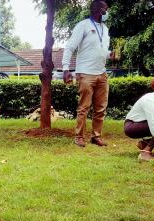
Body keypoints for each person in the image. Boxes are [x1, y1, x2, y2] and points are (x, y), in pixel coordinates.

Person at [62, 0, 112, 147]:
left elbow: (101, 51)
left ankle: (96, 136)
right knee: (84, 107)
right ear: (98, 10)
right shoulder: (83, 25)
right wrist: (66, 69)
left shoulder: (106, 29)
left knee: (101, 108)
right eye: (105, 9)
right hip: (85, 73)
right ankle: (79, 137)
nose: (107, 12)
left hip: (102, 73)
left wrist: (110, 55)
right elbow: (70, 47)